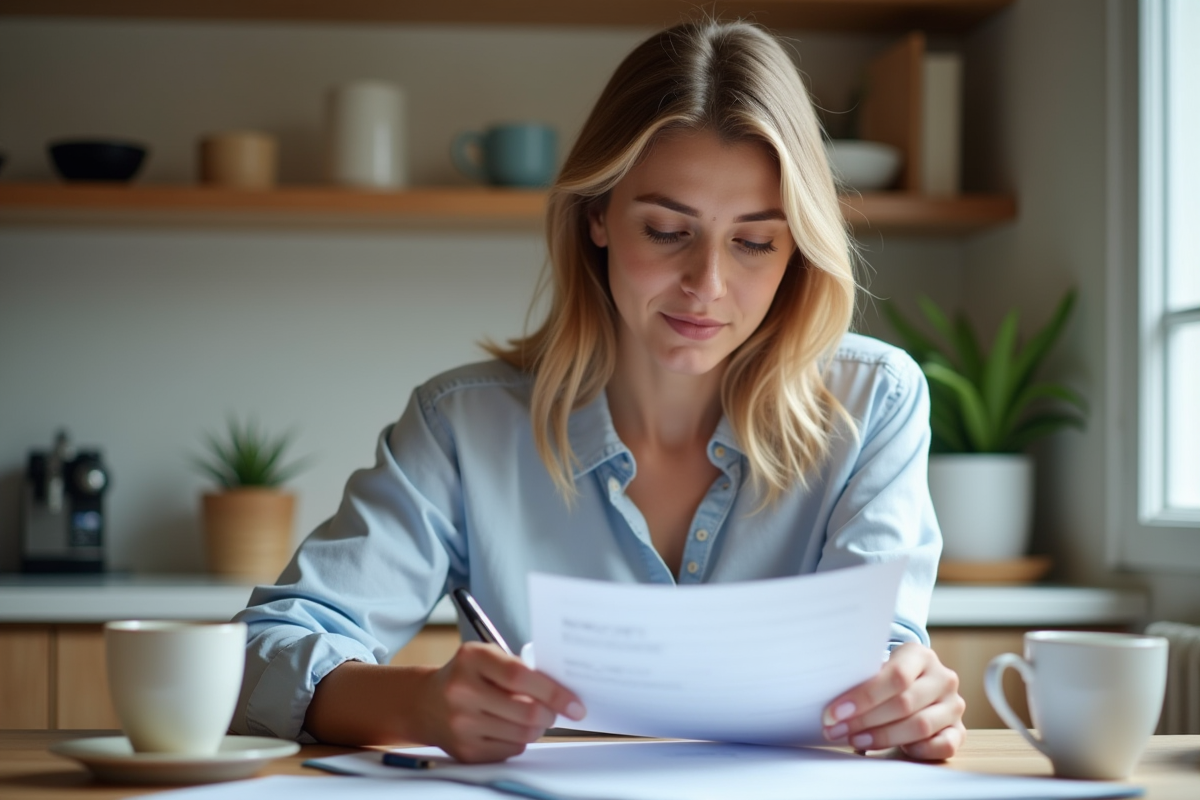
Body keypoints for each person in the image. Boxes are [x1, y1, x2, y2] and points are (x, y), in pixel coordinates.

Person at [231, 19, 965, 764]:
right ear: (598, 218)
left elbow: (879, 661)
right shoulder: (465, 425)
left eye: (753, 241)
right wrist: (420, 703)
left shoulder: (874, 402)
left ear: (797, 249)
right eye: (666, 230)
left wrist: (907, 700)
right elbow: (263, 652)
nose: (707, 287)